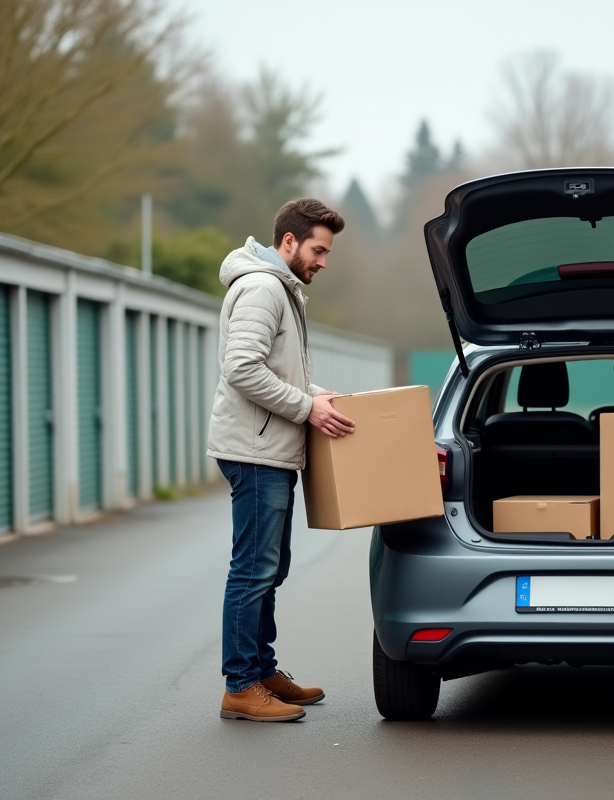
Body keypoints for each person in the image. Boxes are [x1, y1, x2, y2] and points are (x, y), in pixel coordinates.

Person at [207, 198, 355, 722]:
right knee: (253, 570)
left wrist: (315, 394)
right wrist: (305, 407)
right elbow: (242, 369)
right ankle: (241, 686)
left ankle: (261, 669)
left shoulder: (282, 290)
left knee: (270, 568)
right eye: (318, 249)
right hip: (254, 451)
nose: (323, 261)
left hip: (268, 447)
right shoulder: (263, 289)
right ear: (288, 242)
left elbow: (275, 369)